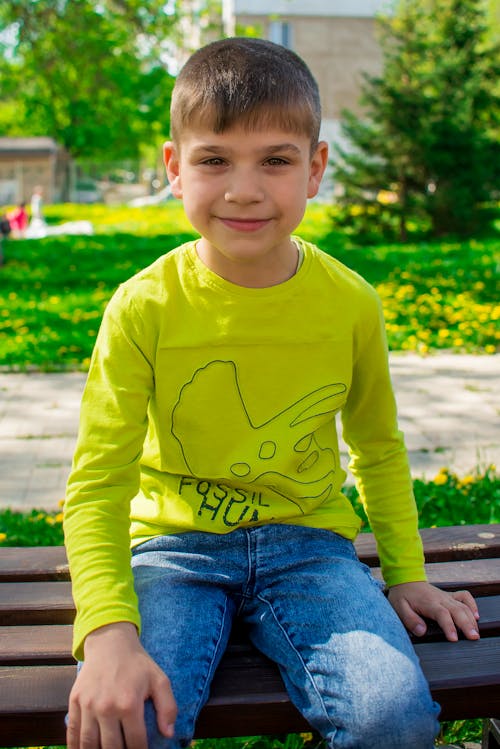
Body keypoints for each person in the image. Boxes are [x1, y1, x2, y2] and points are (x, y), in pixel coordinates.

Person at [64, 37, 480, 749]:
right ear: (174, 167)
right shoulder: (143, 307)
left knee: (396, 721)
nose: (245, 189)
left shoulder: (349, 301)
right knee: (133, 723)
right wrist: (106, 632)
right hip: (172, 549)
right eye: (215, 159)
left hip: (310, 548)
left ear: (315, 168)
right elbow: (97, 482)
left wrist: (406, 575)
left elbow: (378, 446)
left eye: (276, 160)